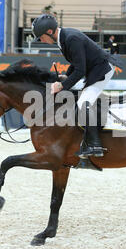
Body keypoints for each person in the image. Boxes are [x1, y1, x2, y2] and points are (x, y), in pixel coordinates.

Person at [31, 13, 119, 158]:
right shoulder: (62, 39)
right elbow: (75, 63)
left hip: (102, 69)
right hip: (93, 69)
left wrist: (62, 86)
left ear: (50, 32)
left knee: (83, 103)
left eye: (41, 36)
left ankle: (95, 144)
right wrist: (65, 77)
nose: (40, 40)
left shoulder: (71, 38)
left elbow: (80, 70)